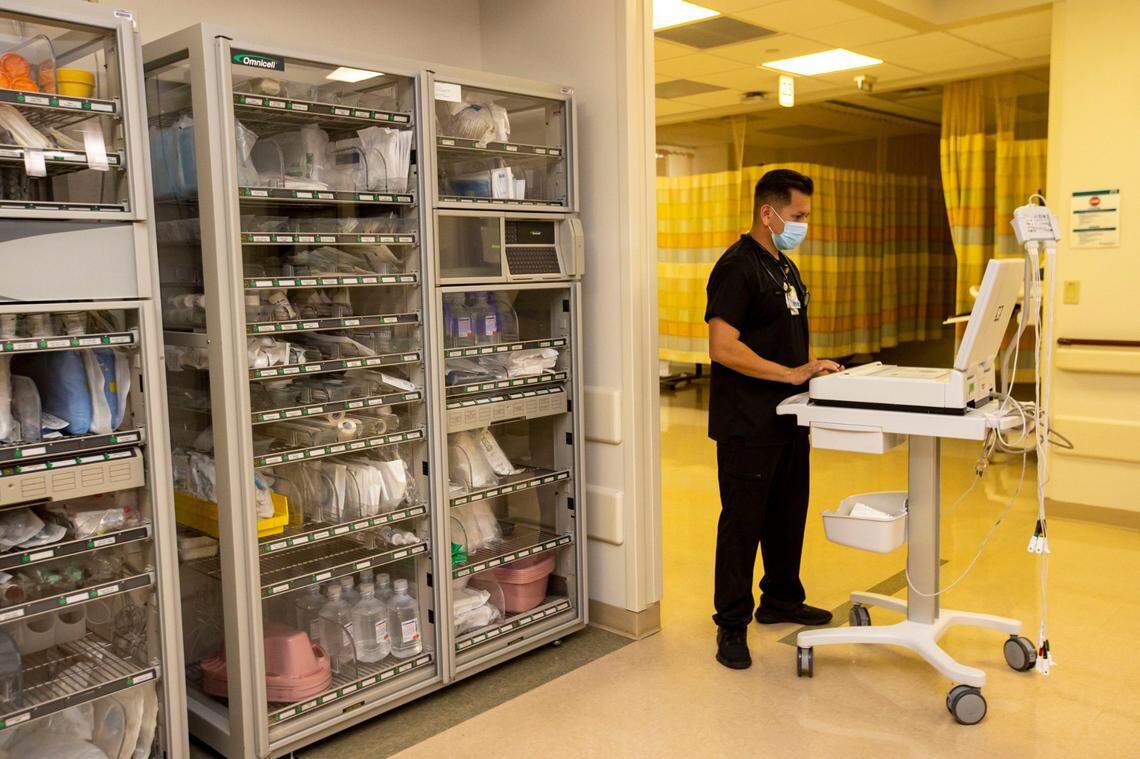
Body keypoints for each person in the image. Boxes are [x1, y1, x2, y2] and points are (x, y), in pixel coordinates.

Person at [704, 168, 842, 670]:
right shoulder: (737, 267)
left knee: (787, 515)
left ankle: (781, 598)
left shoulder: (784, 267)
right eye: (798, 216)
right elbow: (723, 347)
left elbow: (780, 337)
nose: (803, 224)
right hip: (748, 423)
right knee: (743, 525)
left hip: (789, 418)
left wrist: (811, 372)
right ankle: (731, 626)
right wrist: (789, 374)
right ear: (769, 213)